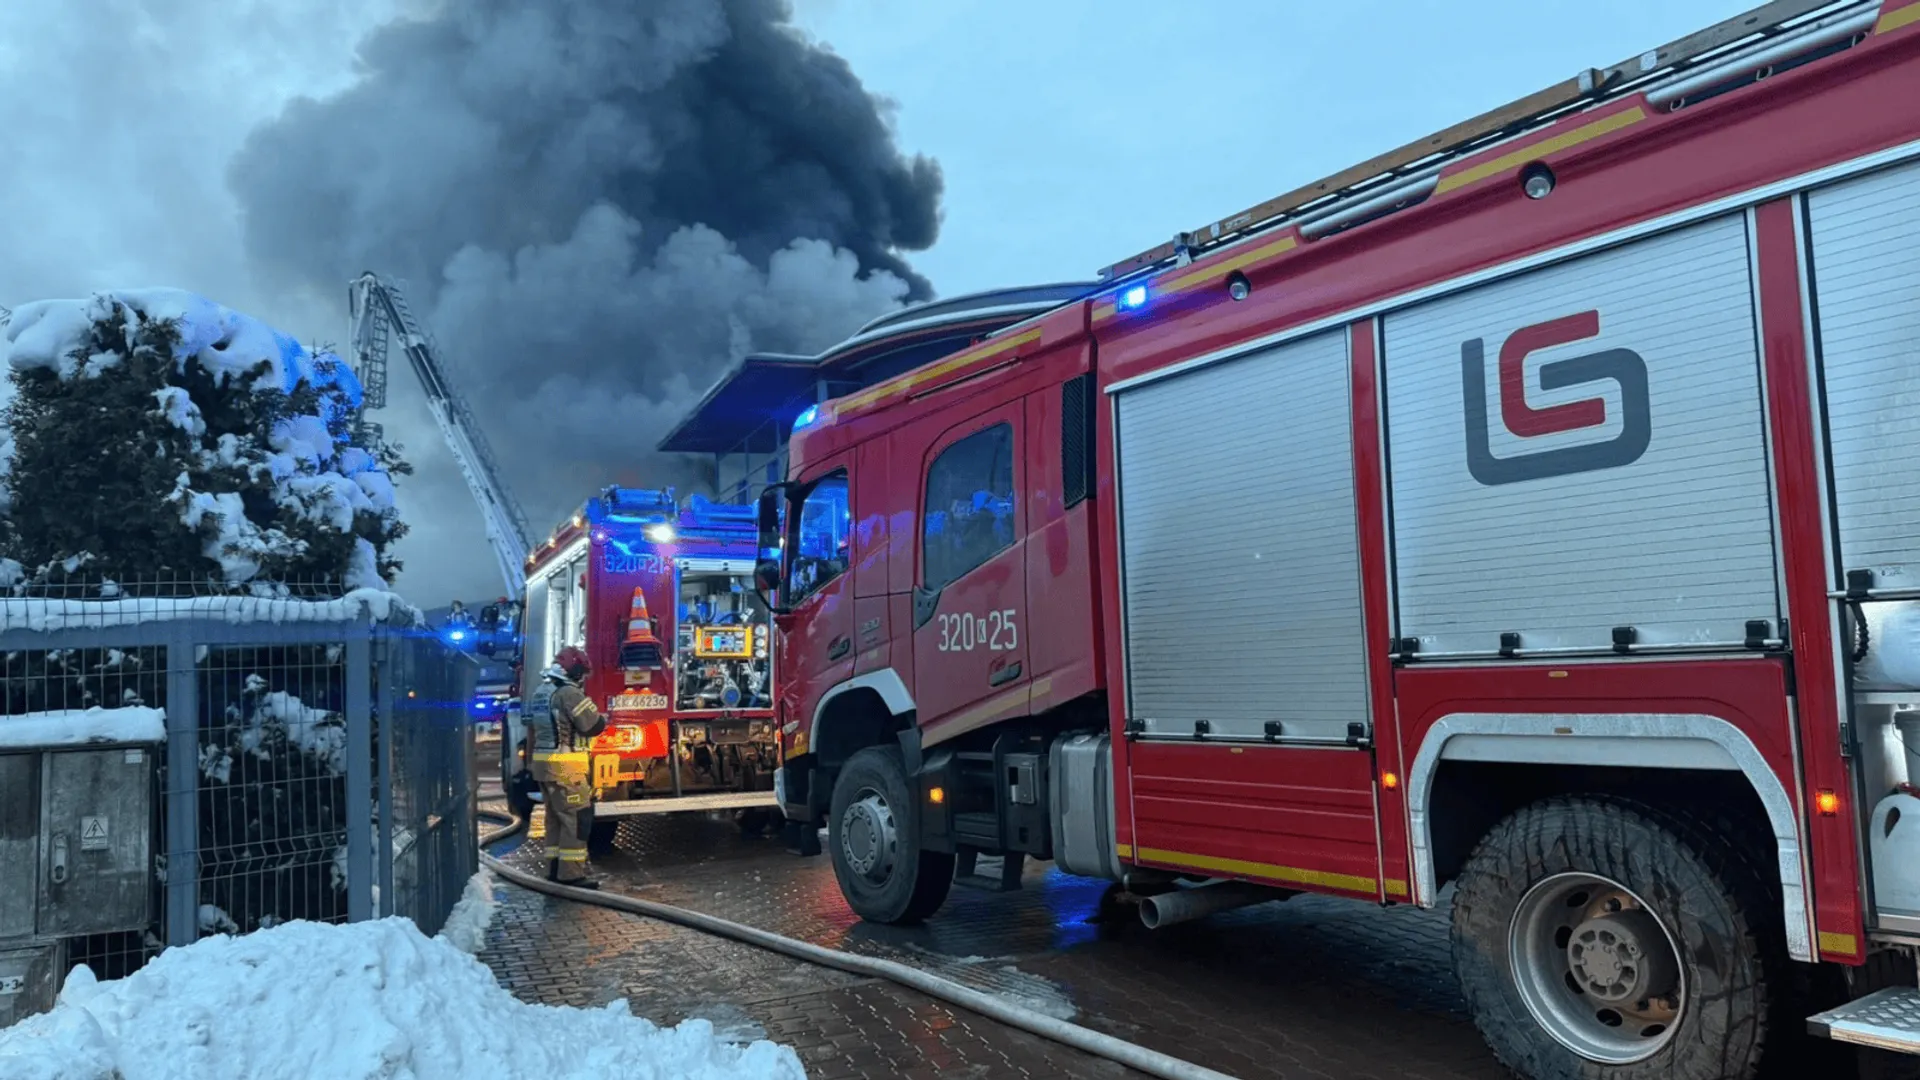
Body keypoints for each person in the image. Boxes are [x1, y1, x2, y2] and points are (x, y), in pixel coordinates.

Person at [527, 645, 606, 888]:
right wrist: (603, 718)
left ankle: (554, 870)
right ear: (573, 670)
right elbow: (592, 725)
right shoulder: (568, 693)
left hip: (543, 766)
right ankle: (572, 875)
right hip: (566, 766)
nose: (582, 678)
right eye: (581, 672)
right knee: (576, 819)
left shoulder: (541, 690)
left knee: (554, 819)